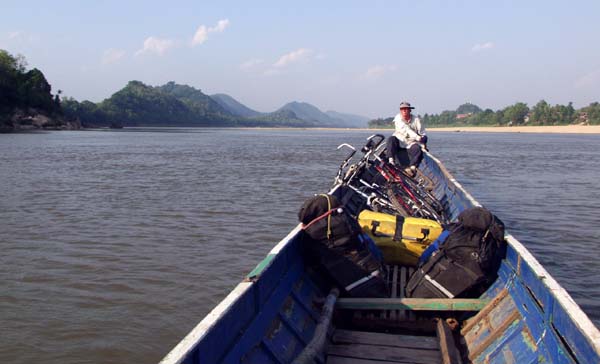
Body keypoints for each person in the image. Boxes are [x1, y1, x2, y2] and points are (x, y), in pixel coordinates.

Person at [386, 101, 428, 176]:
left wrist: (423, 139)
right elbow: (406, 130)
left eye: (406, 109)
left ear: (410, 110)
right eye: (402, 109)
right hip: (400, 141)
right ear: (400, 111)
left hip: (410, 143)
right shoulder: (398, 118)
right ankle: (391, 161)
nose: (404, 111)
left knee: (417, 148)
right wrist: (418, 138)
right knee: (391, 139)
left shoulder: (416, 120)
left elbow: (422, 133)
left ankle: (412, 168)